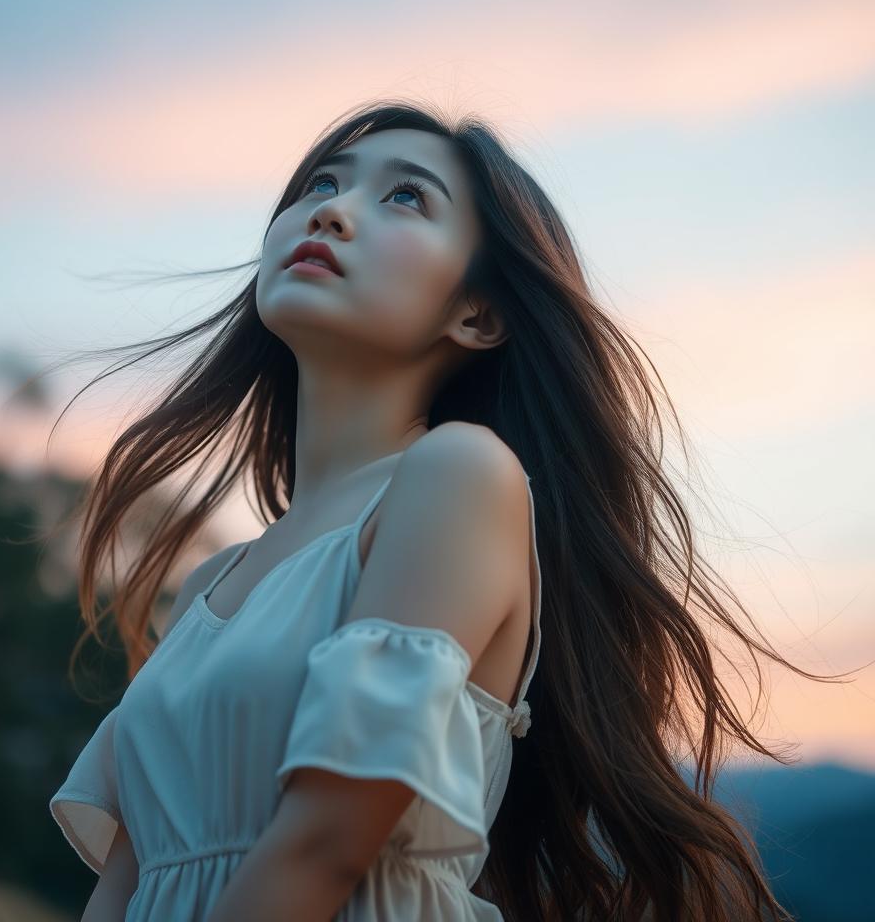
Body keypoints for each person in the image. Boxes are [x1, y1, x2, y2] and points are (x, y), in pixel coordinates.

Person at [48, 99, 810, 921]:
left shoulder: (459, 475)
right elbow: (127, 884)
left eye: (404, 197)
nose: (331, 210)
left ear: (475, 314)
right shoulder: (215, 581)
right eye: (321, 184)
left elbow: (328, 843)